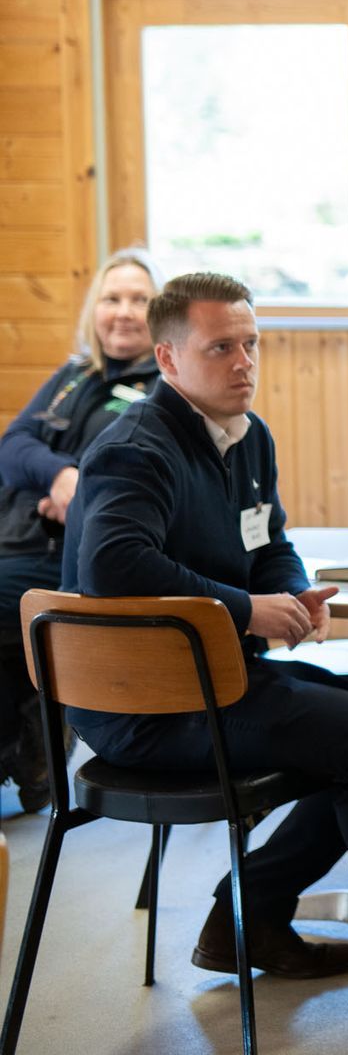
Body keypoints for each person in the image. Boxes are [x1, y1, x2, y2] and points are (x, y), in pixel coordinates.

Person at [61, 272, 348, 1006]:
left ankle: (254, 915)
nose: (244, 363)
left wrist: (291, 589)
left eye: (252, 344)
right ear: (168, 360)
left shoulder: (248, 435)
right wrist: (247, 610)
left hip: (214, 679)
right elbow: (114, 565)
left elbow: (267, 541)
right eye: (221, 348)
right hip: (143, 705)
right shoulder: (135, 448)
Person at [0, 249, 161, 810]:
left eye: (140, 300)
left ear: (161, 313)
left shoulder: (163, 389)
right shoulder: (72, 376)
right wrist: (59, 473)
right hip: (19, 536)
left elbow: (120, 468)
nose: (123, 312)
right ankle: (30, 738)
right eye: (112, 299)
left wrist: (77, 484)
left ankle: (35, 737)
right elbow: (13, 446)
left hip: (78, 556)